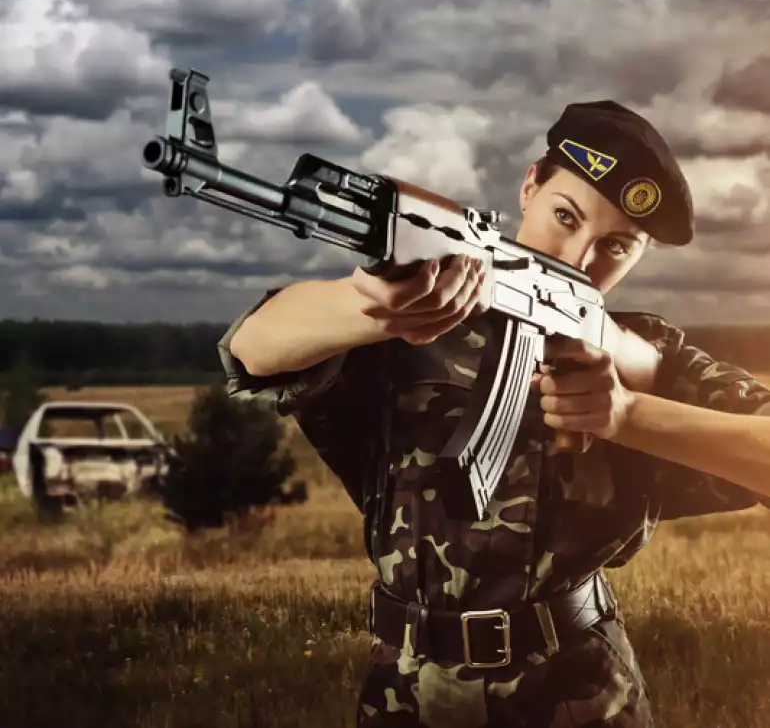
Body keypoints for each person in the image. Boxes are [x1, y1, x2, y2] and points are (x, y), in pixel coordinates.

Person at [217, 100, 770, 727]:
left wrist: (628, 414)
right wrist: (365, 307)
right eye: (566, 216)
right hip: (407, 692)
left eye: (616, 246)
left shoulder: (648, 354)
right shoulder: (416, 325)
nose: (579, 260)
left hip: (578, 693)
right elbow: (252, 351)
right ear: (530, 185)